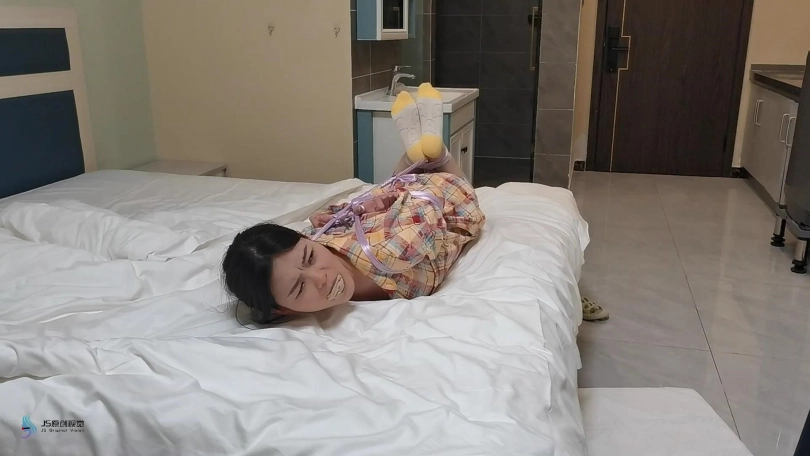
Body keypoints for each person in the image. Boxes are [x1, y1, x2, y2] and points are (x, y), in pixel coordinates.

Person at [223, 84, 485, 324]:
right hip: (401, 218)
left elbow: (429, 208)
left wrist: (350, 211)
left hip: (434, 203)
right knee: (399, 186)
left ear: (310, 241)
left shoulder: (391, 254)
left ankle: (427, 154)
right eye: (299, 288)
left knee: (446, 191)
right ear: (281, 310)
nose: (321, 278)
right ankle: (426, 150)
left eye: (311, 256)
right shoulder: (307, 259)